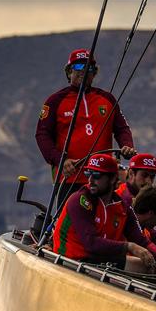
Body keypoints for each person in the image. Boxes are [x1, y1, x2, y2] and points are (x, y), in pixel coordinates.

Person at [36, 48, 137, 206]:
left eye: (89, 68)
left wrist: (127, 146)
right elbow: (42, 135)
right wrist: (60, 161)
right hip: (69, 178)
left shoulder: (107, 99)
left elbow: (122, 128)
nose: (84, 71)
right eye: (78, 67)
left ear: (94, 73)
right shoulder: (55, 101)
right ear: (69, 72)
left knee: (104, 222)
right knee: (70, 224)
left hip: (104, 178)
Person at [52, 153, 156, 273]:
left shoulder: (122, 206)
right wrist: (129, 246)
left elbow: (140, 239)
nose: (90, 180)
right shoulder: (79, 200)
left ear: (112, 179)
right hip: (70, 261)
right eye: (88, 173)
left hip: (96, 260)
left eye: (97, 175)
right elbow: (91, 243)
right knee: (147, 269)